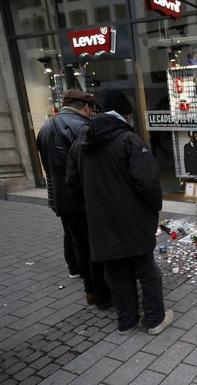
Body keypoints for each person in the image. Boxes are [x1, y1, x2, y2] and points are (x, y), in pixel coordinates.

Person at [67, 89, 173, 335]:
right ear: (126, 114)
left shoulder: (81, 142)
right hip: (132, 220)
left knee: (116, 273)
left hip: (100, 222)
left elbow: (72, 182)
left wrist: (91, 208)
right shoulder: (129, 140)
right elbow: (148, 181)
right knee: (146, 270)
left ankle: (126, 322)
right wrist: (154, 207)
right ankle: (155, 320)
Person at [36, 89, 111, 308]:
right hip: (81, 199)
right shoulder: (82, 128)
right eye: (91, 110)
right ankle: (97, 292)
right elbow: (90, 169)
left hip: (60, 198)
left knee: (77, 240)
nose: (92, 114)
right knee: (92, 246)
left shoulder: (45, 128)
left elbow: (48, 168)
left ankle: (81, 277)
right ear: (86, 107)